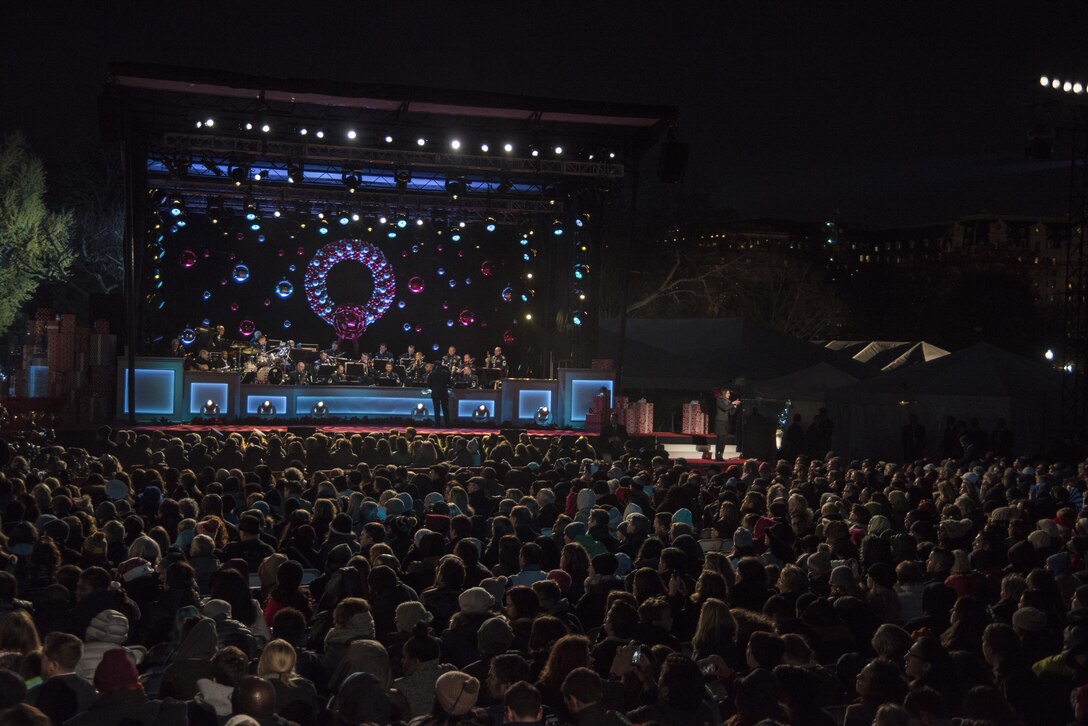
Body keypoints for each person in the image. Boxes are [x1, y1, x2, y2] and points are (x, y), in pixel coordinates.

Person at [713, 387, 739, 461]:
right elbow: (725, 408)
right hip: (719, 422)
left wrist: (735, 407)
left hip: (725, 422)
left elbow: (731, 413)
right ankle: (717, 456)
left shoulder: (728, 401)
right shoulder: (719, 400)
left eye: (729, 393)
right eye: (728, 393)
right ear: (724, 393)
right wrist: (732, 403)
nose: (729, 394)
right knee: (720, 439)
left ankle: (721, 455)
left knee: (724, 440)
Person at [427, 362, 452, 426]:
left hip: (435, 393)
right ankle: (447, 423)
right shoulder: (446, 373)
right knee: (445, 409)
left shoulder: (432, 373)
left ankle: (437, 424)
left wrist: (433, 388)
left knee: (436, 409)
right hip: (444, 392)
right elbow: (449, 382)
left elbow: (429, 384)